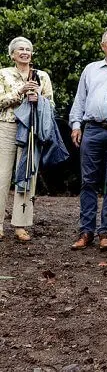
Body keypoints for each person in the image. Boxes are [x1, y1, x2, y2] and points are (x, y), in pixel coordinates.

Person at [69, 29, 107, 251]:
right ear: (102, 46)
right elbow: (80, 99)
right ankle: (86, 231)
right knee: (88, 181)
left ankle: (106, 232)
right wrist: (75, 125)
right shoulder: (90, 70)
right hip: (91, 129)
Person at [0, 37, 53, 242]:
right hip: (7, 125)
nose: (25, 52)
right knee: (2, 175)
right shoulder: (3, 74)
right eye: (20, 49)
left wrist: (38, 98)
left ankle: (20, 225)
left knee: (27, 176)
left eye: (28, 49)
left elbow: (51, 104)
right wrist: (19, 92)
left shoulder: (42, 76)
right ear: (12, 54)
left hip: (31, 128)